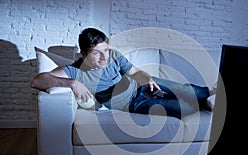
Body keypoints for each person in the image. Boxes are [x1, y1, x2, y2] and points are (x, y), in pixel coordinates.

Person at [31, 27, 213, 119]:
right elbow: (37, 81)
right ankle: (207, 105)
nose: (104, 57)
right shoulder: (75, 71)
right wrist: (71, 83)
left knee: (195, 93)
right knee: (187, 108)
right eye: (96, 53)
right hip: (135, 104)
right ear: (84, 54)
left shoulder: (114, 56)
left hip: (142, 86)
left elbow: (135, 73)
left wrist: (146, 78)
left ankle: (218, 94)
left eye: (106, 50)